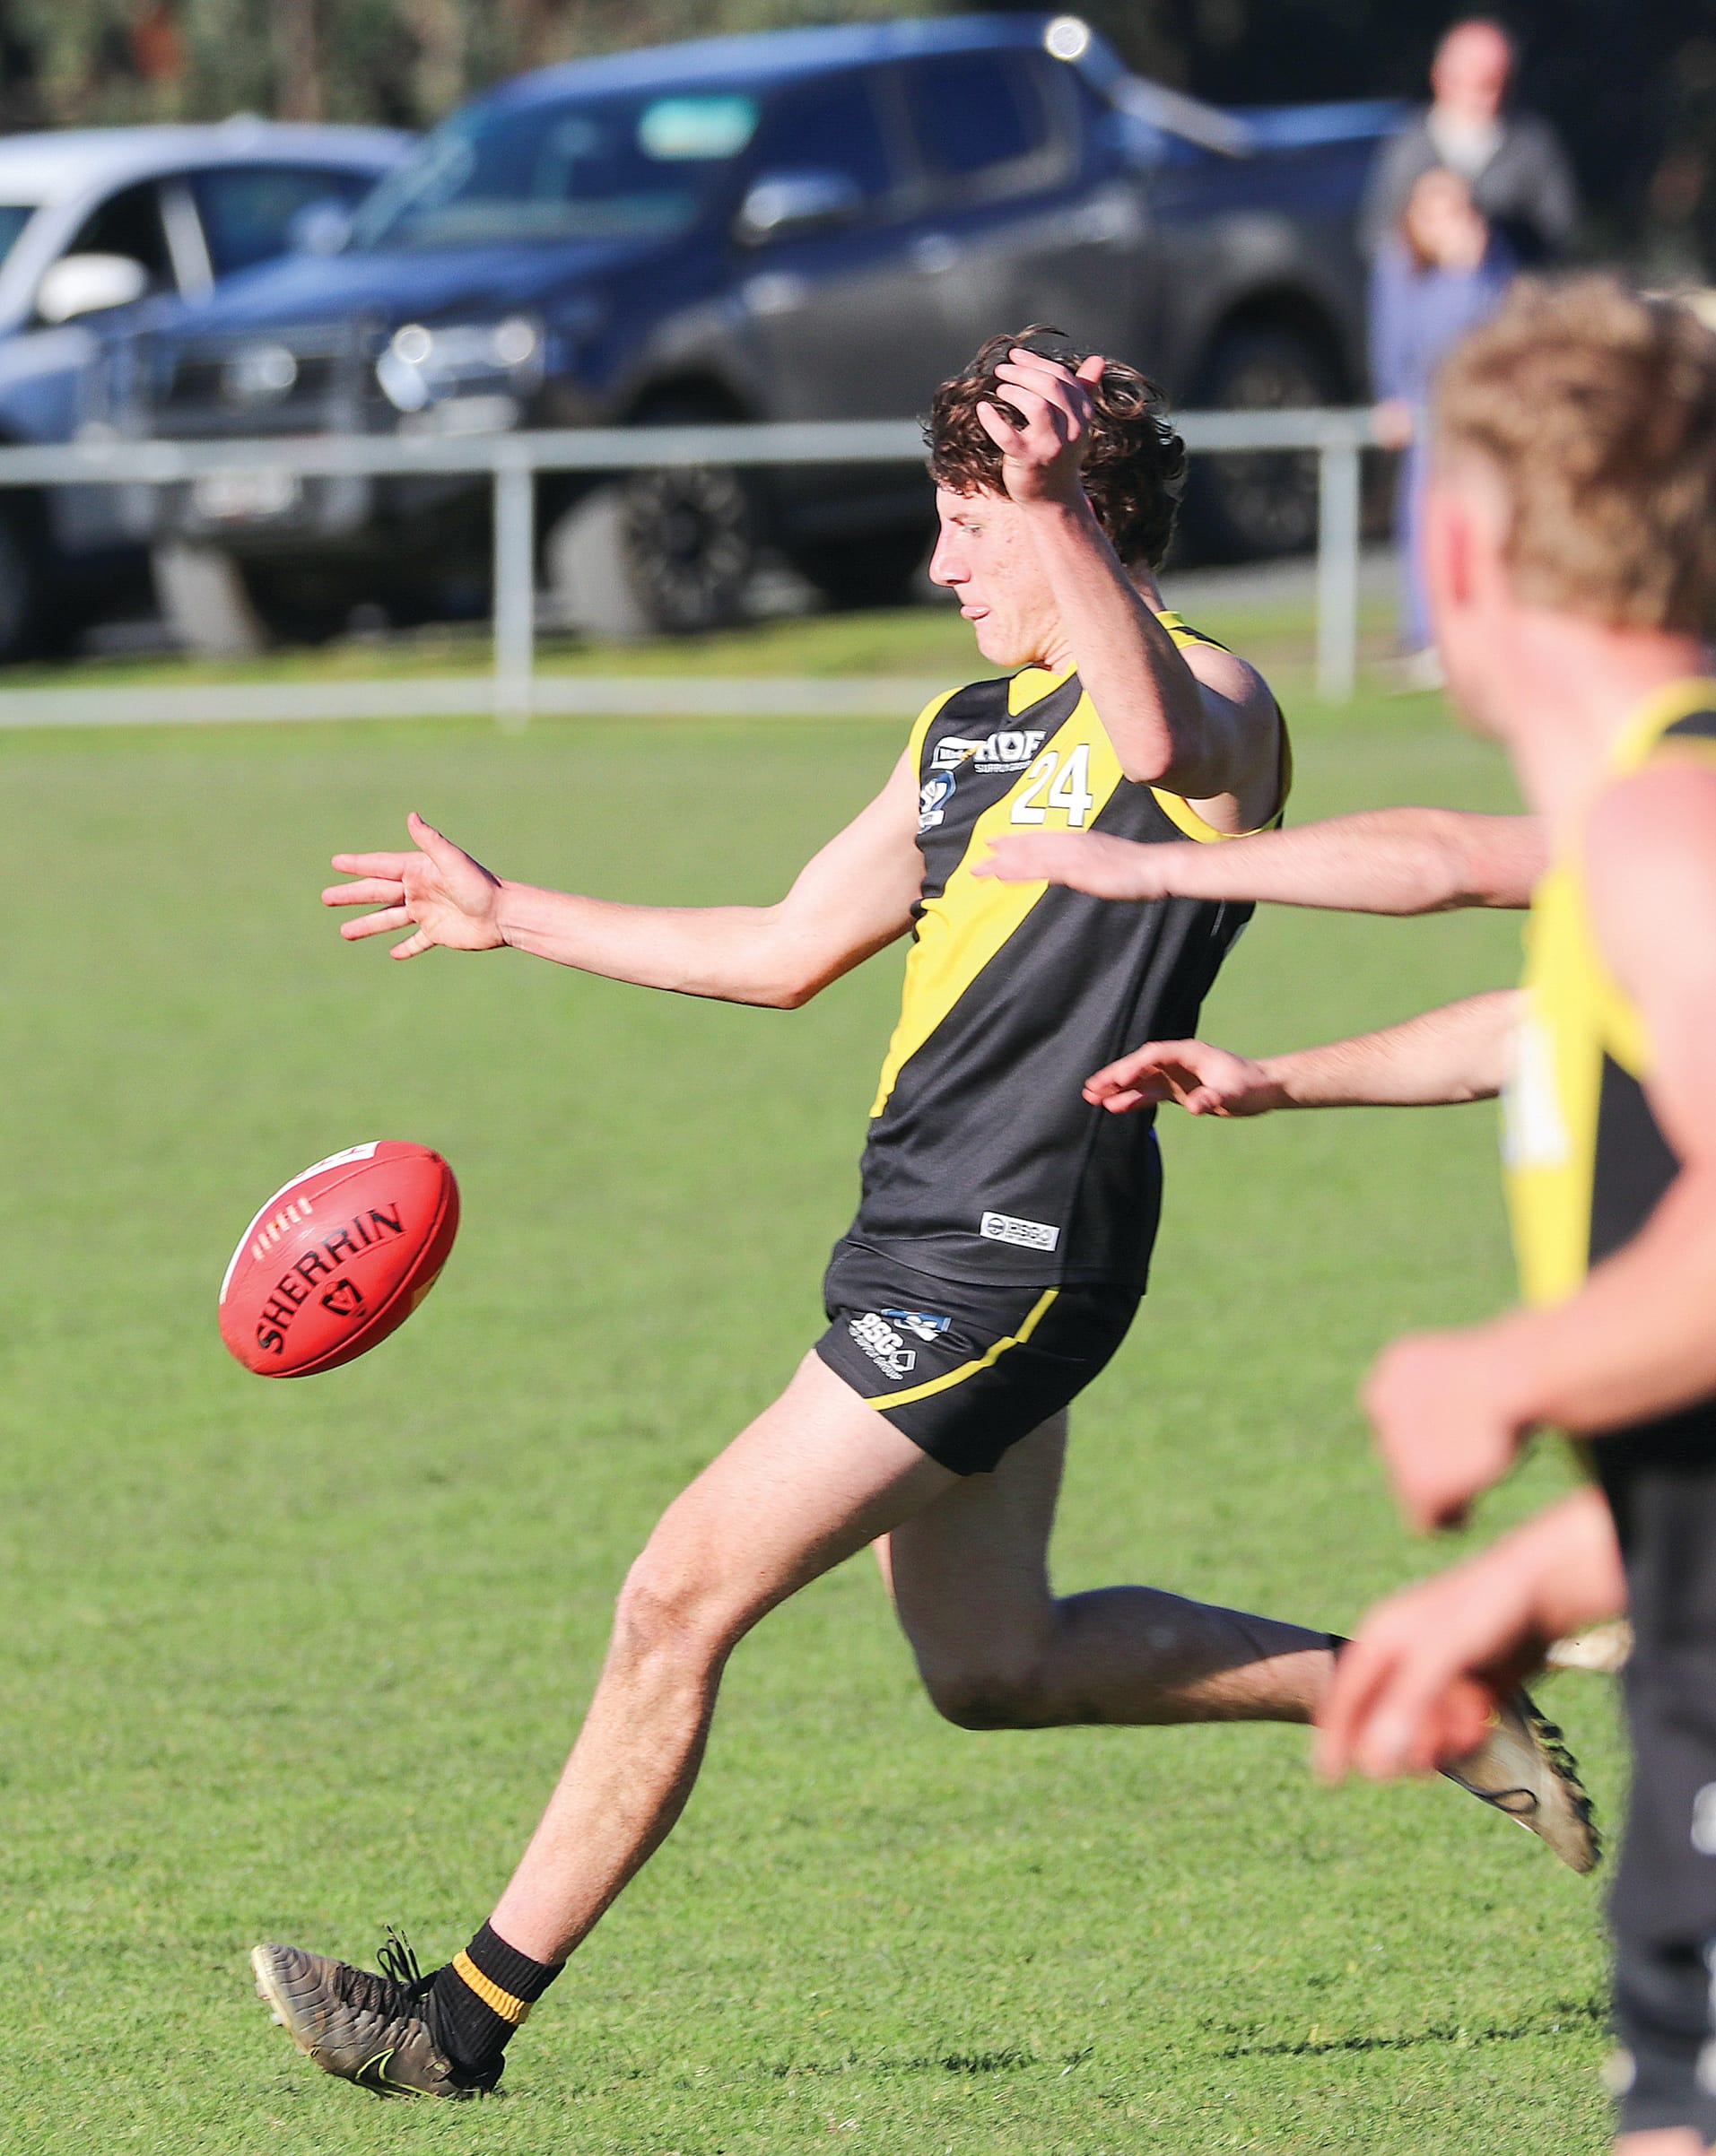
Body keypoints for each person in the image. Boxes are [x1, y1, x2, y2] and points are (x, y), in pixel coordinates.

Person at [248, 326, 1590, 2102]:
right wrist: (516, 913)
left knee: (675, 1589)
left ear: (1061, 513)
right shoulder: (960, 730)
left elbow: (1165, 737)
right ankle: (1425, 1688)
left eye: (969, 521)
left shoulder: (1207, 708)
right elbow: (783, 946)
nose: (941, 562)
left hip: (1016, 1254)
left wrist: (1056, 513)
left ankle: (451, 2025)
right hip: (905, 1234)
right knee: (990, 1661)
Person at [1000, 277, 1716, 2155]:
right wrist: (1526, 1581)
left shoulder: (1668, 836)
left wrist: (1510, 1364)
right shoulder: (1632, 830)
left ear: (1463, 553)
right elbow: (1472, 905)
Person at [1372, 168, 1515, 676]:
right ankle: (1426, 635)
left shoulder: (1489, 269)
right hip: (1426, 426)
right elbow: (1394, 340)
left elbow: (1484, 340)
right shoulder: (1400, 266)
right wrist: (1391, 398)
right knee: (1423, 525)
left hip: (1476, 424)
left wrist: (1467, 271)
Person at [1361, 18, 1578, 268]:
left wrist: (1495, 246)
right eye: (1470, 81)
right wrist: (1431, 246)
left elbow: (1559, 234)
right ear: (1440, 77)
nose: (1481, 96)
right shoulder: (1408, 146)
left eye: (1493, 83)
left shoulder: (1532, 143)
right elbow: (1375, 235)